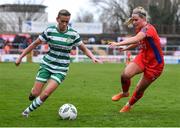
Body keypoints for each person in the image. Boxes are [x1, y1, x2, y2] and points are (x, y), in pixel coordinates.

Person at [15, 9, 102, 118]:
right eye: (62, 21)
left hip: (61, 69)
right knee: (35, 93)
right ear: (57, 19)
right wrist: (20, 57)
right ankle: (33, 94)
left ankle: (26, 112)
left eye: (67, 22)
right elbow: (34, 44)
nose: (64, 24)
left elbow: (84, 49)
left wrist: (93, 57)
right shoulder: (49, 31)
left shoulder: (73, 34)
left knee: (46, 93)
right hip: (47, 65)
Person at [109, 6, 164, 113]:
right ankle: (125, 93)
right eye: (133, 20)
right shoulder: (140, 28)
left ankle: (129, 105)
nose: (134, 22)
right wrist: (126, 48)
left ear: (144, 19)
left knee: (140, 88)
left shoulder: (149, 29)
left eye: (136, 20)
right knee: (125, 75)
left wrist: (118, 43)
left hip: (155, 65)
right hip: (143, 57)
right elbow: (138, 42)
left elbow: (137, 38)